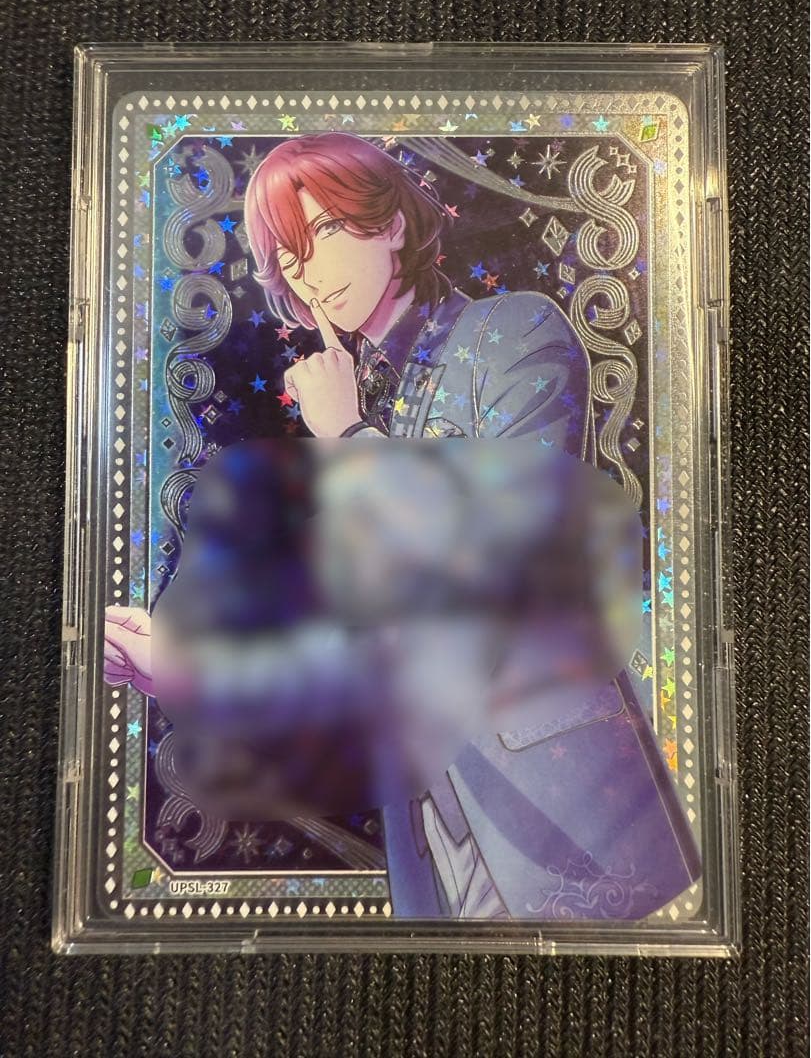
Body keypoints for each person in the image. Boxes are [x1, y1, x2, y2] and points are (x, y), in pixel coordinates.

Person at [105, 132, 700, 920]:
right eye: (288, 257)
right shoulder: (350, 403)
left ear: (389, 222)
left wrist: (349, 436)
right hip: (428, 834)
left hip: (563, 806)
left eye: (324, 231)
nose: (310, 272)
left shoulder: (510, 332)